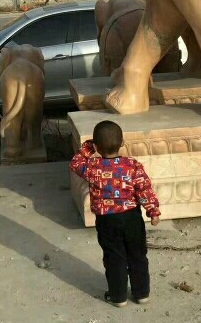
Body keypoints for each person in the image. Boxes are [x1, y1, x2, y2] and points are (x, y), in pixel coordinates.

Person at [69, 120, 160, 307]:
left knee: (114, 257)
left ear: (96, 147)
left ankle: (118, 297)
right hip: (132, 217)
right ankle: (142, 293)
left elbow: (76, 163)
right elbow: (145, 189)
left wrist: (88, 146)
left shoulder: (93, 167)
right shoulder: (132, 165)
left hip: (107, 220)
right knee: (137, 254)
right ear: (122, 143)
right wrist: (153, 211)